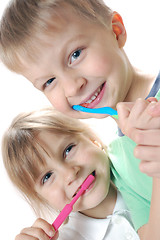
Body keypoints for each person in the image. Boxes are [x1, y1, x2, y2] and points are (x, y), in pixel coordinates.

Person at [0, 0, 160, 235]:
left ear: (116, 31)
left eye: (75, 55)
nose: (72, 88)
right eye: (49, 82)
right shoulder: (118, 163)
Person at [1, 107, 160, 240]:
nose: (70, 174)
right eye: (47, 177)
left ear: (92, 140)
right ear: (40, 197)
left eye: (68, 150)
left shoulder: (142, 162)